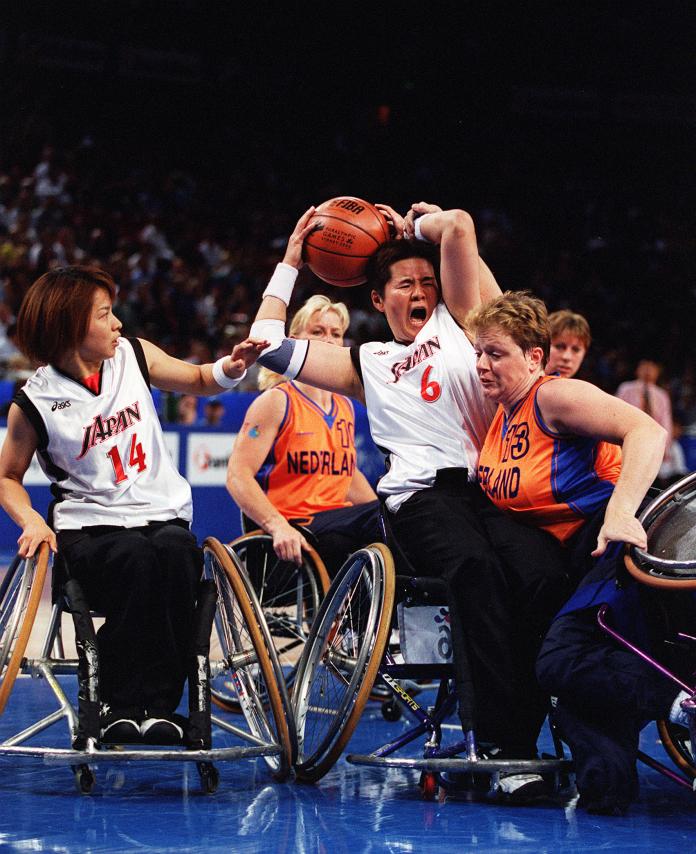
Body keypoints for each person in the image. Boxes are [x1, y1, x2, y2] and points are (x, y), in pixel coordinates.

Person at [244, 203, 572, 799]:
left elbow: (463, 226)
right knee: (474, 570)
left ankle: (540, 730)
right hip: (420, 501)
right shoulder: (368, 362)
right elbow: (266, 345)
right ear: (379, 299)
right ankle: (504, 749)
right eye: (405, 283)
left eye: (428, 280)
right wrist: (293, 260)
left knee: (544, 569)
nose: (420, 290)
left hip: (492, 490)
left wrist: (413, 229)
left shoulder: (462, 324)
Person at [0, 265, 265, 745]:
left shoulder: (134, 356)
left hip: (160, 518)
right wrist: (31, 520)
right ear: (71, 325)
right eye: (105, 314)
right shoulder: (35, 400)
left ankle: (159, 707)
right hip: (90, 532)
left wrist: (232, 365)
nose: (118, 323)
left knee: (176, 552)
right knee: (136, 559)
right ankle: (119, 704)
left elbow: (201, 378)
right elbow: (8, 477)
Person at [465, 289, 677, 814]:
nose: (482, 364)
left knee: (557, 663)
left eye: (495, 353)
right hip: (578, 564)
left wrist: (622, 509)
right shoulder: (499, 416)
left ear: (533, 358)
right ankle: (609, 772)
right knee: (603, 793)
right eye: (478, 353)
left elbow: (647, 430)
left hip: (616, 547)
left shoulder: (552, 396)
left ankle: (676, 703)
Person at [226, 294, 381, 574]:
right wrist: (278, 526)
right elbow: (238, 475)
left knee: (393, 519)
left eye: (336, 334)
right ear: (294, 340)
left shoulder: (345, 405)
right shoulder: (276, 402)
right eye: (317, 332)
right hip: (295, 529)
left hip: (336, 525)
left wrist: (385, 513)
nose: (328, 340)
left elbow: (346, 476)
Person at [616, 359, 673, 469]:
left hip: (652, 438)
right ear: (637, 370)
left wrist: (665, 447)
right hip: (628, 435)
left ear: (657, 372)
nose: (648, 370)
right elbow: (616, 413)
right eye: (644, 367)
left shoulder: (661, 395)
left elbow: (666, 422)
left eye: (652, 368)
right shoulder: (626, 388)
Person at [545, 309, 591, 378]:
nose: (567, 357)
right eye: (559, 347)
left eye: (576, 350)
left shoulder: (585, 388)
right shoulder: (524, 387)